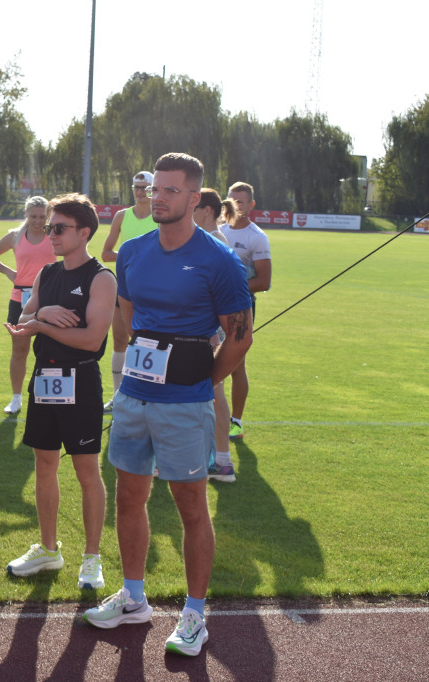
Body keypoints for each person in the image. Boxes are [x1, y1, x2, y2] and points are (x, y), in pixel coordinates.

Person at [82, 153, 253, 657]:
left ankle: (195, 615)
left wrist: (202, 378)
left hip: (185, 404)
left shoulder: (218, 260)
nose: (157, 197)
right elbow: (131, 317)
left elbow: (239, 337)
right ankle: (134, 597)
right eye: (155, 189)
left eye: (170, 191)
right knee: (129, 498)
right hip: (134, 396)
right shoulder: (132, 252)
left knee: (191, 509)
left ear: (195, 199)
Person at [3, 194, 115, 590]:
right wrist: (43, 314)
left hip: (81, 380)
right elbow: (20, 321)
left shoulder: (101, 278)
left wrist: (42, 322)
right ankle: (48, 550)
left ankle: (92, 558)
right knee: (44, 465)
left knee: (87, 471)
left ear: (84, 232)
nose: (50, 234)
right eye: (49, 227)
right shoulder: (47, 275)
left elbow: (91, 339)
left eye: (59, 228)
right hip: (45, 378)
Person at [0, 195, 56, 414]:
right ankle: (16, 398)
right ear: (26, 214)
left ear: (48, 215)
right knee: (19, 350)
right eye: (33, 216)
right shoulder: (15, 236)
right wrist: (8, 271)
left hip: (49, 299)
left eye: (42, 216)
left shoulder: (54, 235)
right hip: (20, 299)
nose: (38, 221)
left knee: (50, 350)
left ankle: (47, 396)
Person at [100, 171, 158, 411]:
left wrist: (141, 259)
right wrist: (133, 257)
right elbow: (106, 254)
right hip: (123, 288)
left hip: (154, 291)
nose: (140, 191)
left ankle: (149, 396)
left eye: (145, 187)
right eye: (136, 186)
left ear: (153, 189)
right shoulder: (121, 216)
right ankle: (117, 396)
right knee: (119, 342)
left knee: (150, 343)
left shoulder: (159, 215)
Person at [220, 181, 272, 440]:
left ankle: (235, 423)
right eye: (232, 200)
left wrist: (230, 289)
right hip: (210, 307)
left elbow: (264, 281)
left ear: (251, 205)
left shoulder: (257, 237)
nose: (236, 205)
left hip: (240, 306)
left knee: (236, 366)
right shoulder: (215, 231)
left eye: (241, 201)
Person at [195, 189, 238, 482]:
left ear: (207, 210)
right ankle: (217, 459)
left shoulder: (215, 240)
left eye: (194, 207)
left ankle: (221, 460)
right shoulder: (208, 238)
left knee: (214, 392)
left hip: (208, 330)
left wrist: (212, 333)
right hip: (207, 328)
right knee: (212, 393)